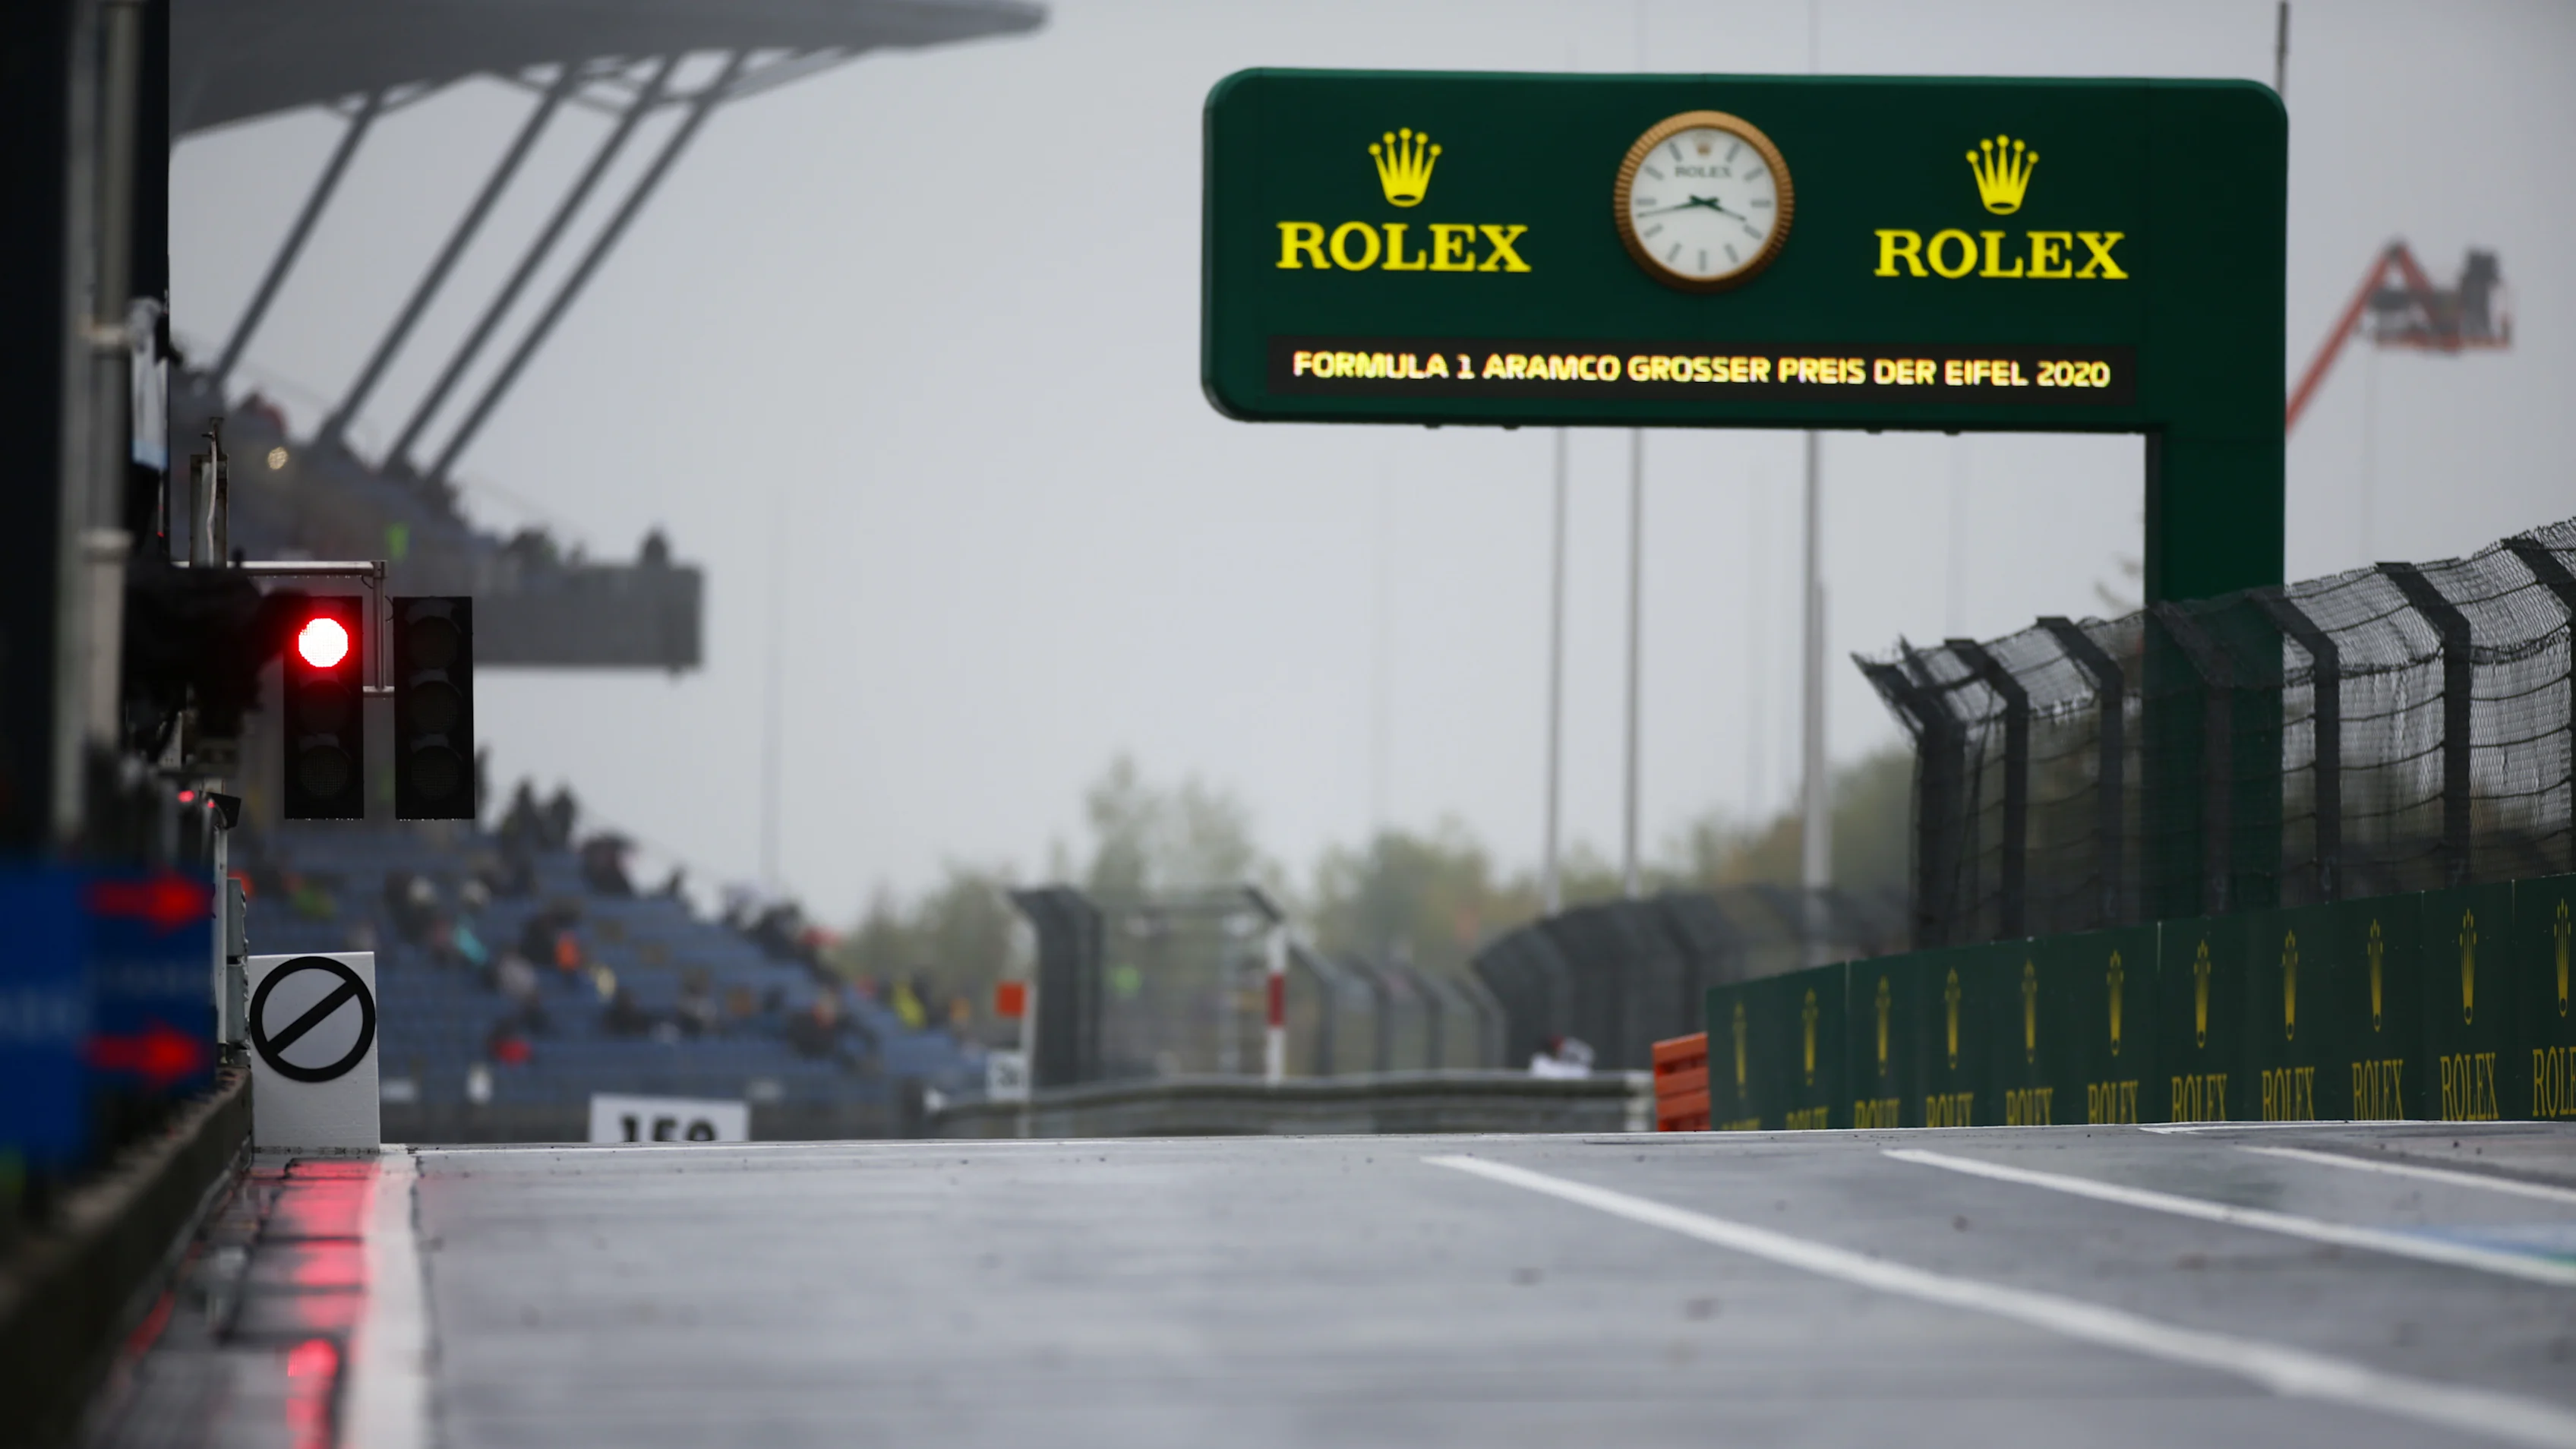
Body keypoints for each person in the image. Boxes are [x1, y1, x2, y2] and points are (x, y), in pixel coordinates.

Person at [1528, 1034, 1595, 1079]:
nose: (1559, 1051)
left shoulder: (1570, 1063)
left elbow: (1588, 1060)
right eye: (1556, 1049)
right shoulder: (1540, 1062)